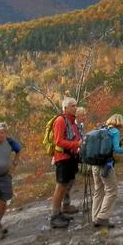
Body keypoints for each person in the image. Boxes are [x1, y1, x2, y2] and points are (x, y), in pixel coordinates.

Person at [90, 113, 123, 227]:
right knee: (112, 190)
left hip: (95, 164)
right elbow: (116, 149)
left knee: (98, 190)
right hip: (106, 165)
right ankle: (102, 218)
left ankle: (95, 218)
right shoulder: (115, 131)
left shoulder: (102, 129)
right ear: (119, 122)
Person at [49, 97, 83, 228]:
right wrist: (76, 144)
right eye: (73, 106)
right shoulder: (60, 120)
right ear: (65, 108)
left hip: (71, 157)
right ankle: (54, 216)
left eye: (76, 105)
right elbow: (58, 141)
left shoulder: (72, 121)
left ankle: (60, 212)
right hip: (62, 158)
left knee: (65, 186)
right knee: (61, 186)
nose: (76, 107)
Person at [61, 106, 90, 215]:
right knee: (67, 182)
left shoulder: (79, 126)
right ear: (77, 115)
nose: (85, 117)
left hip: (74, 156)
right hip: (68, 156)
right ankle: (65, 205)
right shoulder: (73, 126)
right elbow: (72, 140)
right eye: (83, 115)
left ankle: (66, 204)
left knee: (70, 180)